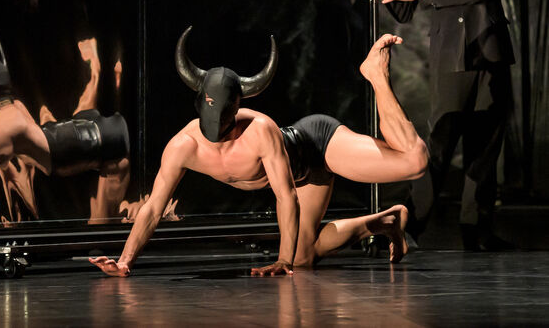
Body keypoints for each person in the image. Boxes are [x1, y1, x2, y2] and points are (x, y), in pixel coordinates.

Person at [90, 28, 427, 276]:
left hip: (317, 145)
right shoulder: (183, 146)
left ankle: (376, 75)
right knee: (303, 258)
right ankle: (387, 220)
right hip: (303, 177)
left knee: (414, 161)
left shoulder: (260, 130)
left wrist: (281, 261)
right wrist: (124, 261)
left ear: (235, 111)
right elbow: (151, 209)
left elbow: (286, 197)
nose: (216, 131)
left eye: (224, 121)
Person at [371, 0, 516, 249]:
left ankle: (478, 231)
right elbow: (403, 9)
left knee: (485, 147)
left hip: (488, 47)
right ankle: (409, 226)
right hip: (449, 51)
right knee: (439, 143)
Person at [0, 33, 130, 224]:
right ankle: (101, 230)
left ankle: (100, 233)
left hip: (80, 141)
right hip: (74, 134)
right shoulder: (10, 110)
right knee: (117, 163)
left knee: (116, 160)